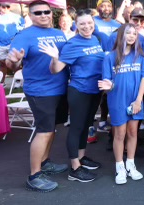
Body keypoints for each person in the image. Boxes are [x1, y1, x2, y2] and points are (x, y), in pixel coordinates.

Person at [6, 0, 69, 192]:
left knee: (51, 129)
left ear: (52, 13)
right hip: (40, 91)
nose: (43, 15)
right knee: (44, 131)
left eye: (46, 12)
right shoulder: (24, 36)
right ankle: (34, 175)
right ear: (31, 16)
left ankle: (45, 162)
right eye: (38, 13)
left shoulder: (59, 34)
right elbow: (11, 65)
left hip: (61, 89)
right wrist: (14, 62)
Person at [38, 9, 105, 182]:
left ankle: (82, 158)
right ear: (76, 25)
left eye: (89, 23)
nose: (86, 26)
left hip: (95, 90)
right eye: (82, 23)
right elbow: (56, 69)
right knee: (76, 127)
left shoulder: (95, 40)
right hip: (79, 90)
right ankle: (74, 168)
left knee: (86, 125)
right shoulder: (73, 44)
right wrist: (54, 58)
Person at [98, 24, 144, 185]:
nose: (132, 36)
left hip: (135, 101)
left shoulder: (140, 57)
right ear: (121, 35)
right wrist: (109, 86)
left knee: (133, 133)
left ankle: (130, 164)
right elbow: (108, 83)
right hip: (118, 101)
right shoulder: (110, 57)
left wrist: (139, 100)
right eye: (128, 33)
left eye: (134, 33)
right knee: (119, 134)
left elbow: (143, 79)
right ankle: (119, 166)